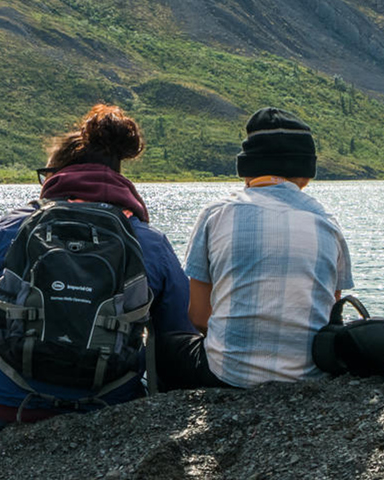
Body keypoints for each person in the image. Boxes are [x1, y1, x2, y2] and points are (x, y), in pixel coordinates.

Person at [0, 104, 193, 440]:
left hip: (0, 407)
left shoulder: (17, 223)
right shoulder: (150, 242)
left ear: (58, 175)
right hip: (109, 411)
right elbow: (179, 330)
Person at [150, 107, 354, 391]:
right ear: (306, 175)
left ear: (247, 169)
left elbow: (197, 316)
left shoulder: (216, 213)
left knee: (160, 346)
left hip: (227, 375)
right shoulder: (328, 224)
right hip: (308, 375)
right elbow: (329, 313)